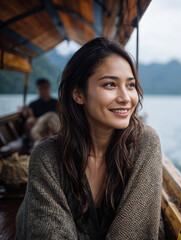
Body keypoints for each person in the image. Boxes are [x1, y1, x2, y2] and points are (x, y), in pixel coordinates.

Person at [16, 37, 165, 239]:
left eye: (130, 85)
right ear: (78, 94)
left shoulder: (144, 143)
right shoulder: (47, 156)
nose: (125, 98)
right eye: (110, 84)